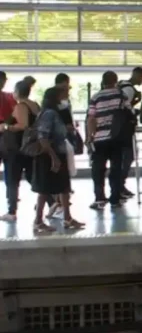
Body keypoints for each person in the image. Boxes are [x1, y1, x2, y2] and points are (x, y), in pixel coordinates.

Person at [32, 87, 84, 234]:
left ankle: (67, 218)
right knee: (44, 189)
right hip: (49, 156)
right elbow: (43, 137)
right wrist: (53, 158)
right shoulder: (49, 114)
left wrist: (66, 130)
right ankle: (38, 221)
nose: (65, 96)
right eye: (63, 94)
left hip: (59, 154)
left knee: (64, 187)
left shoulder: (55, 113)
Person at [86, 71, 130, 210]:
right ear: (115, 81)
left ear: (103, 81)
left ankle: (99, 198)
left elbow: (91, 118)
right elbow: (128, 112)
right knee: (116, 168)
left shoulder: (95, 97)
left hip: (99, 138)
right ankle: (115, 198)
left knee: (98, 169)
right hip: (117, 137)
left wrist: (90, 136)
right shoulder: (121, 95)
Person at [0, 80, 39, 222]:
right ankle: (53, 203)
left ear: (17, 92)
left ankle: (11, 211)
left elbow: (23, 125)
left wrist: (6, 127)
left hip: (17, 148)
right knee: (32, 177)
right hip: (29, 148)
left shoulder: (21, 106)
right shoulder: (34, 105)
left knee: (12, 179)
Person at [45, 73, 81, 219]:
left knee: (60, 182)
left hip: (57, 147)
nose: (67, 92)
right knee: (62, 181)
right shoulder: (56, 111)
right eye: (65, 90)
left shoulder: (46, 110)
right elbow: (63, 128)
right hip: (58, 148)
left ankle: (61, 210)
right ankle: (61, 211)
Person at [116, 66, 142, 199]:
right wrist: (135, 107)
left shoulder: (121, 85)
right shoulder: (129, 89)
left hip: (117, 130)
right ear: (136, 75)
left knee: (122, 158)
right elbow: (124, 107)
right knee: (127, 157)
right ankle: (119, 187)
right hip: (124, 130)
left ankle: (119, 187)